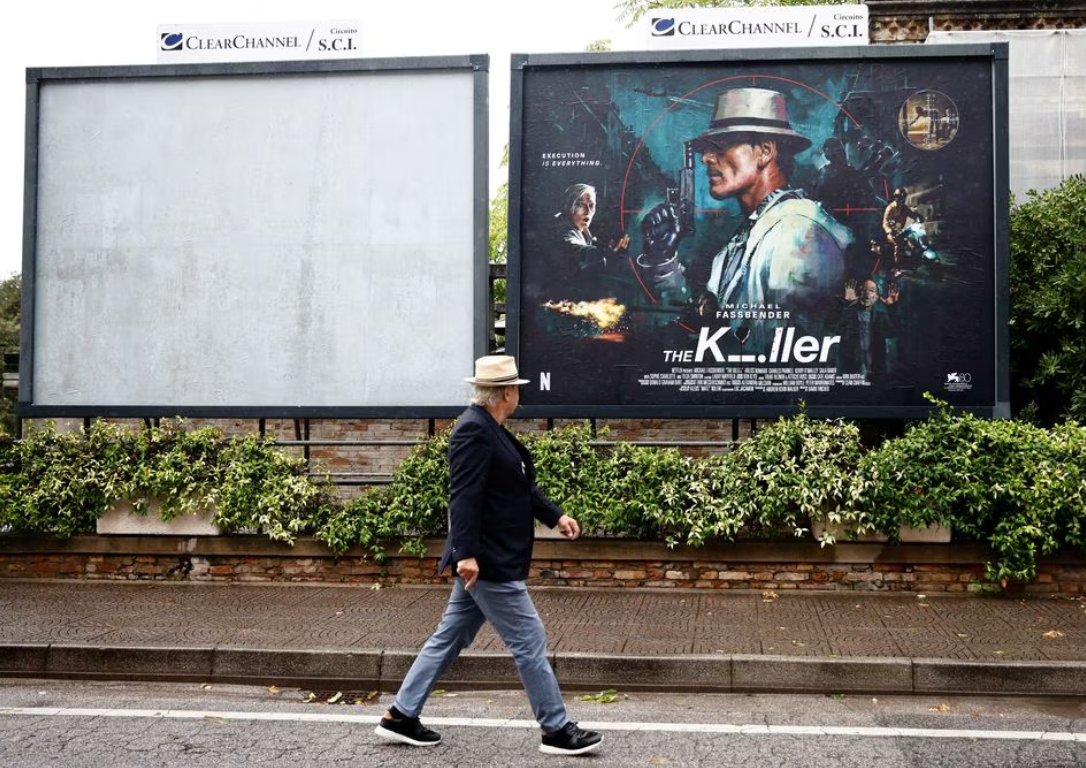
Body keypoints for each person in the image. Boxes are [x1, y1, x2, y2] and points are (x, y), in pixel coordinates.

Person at [375, 355, 603, 757]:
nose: (519, 394)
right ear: (505, 393)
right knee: (530, 639)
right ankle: (556, 730)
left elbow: (519, 488)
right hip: (489, 561)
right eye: (516, 388)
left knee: (450, 637)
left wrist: (556, 515)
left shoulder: (491, 429)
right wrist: (466, 554)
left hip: (487, 559)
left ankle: (400, 716)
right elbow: (463, 497)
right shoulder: (473, 432)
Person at [638, 86, 852, 347]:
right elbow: (705, 321)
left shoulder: (797, 236)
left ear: (764, 151)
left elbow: (792, 353)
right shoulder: (744, 240)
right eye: (707, 149)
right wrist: (662, 259)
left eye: (720, 146)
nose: (706, 158)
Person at [547, 183, 629, 300]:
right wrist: (604, 252)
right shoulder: (559, 229)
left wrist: (611, 254)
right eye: (581, 205)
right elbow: (576, 250)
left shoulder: (583, 231)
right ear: (568, 206)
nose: (588, 211)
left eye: (591, 205)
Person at [881, 187, 923, 266]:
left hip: (900, 231)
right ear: (895, 197)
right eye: (897, 197)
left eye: (901, 197)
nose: (899, 199)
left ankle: (914, 261)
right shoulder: (890, 208)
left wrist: (918, 217)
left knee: (913, 241)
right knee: (898, 243)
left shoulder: (904, 208)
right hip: (890, 233)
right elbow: (884, 222)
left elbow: (912, 215)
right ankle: (897, 265)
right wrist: (889, 230)